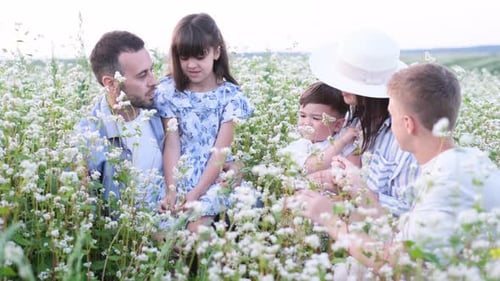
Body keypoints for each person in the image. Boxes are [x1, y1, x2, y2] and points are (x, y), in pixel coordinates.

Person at [292, 62, 500, 275]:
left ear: (408, 124)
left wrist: (329, 218)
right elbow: (407, 235)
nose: (388, 127)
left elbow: (397, 262)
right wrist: (360, 188)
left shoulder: (446, 182)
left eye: (392, 116)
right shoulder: (469, 162)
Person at [154, 13, 254, 233]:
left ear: (216, 52)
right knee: (164, 231)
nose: (191, 65)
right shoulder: (168, 92)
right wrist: (173, 191)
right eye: (184, 57)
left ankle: (215, 267)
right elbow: (171, 144)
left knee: (196, 228)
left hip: (214, 176)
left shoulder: (230, 96)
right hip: (178, 173)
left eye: (200, 56)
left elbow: (220, 151)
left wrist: (196, 193)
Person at [307, 29, 420, 217]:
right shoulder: (355, 119)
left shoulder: (403, 137)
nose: (338, 86)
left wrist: (353, 194)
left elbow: (410, 211)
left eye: (347, 81)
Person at [75, 30, 166, 212]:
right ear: (111, 83)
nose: (154, 81)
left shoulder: (164, 110)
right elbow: (85, 213)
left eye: (152, 70)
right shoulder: (89, 139)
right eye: (142, 75)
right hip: (130, 237)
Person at [278, 81, 360, 176]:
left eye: (316, 118)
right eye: (302, 115)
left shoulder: (344, 138)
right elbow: (311, 167)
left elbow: (355, 169)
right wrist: (342, 141)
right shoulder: (299, 147)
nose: (307, 123)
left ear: (337, 125)